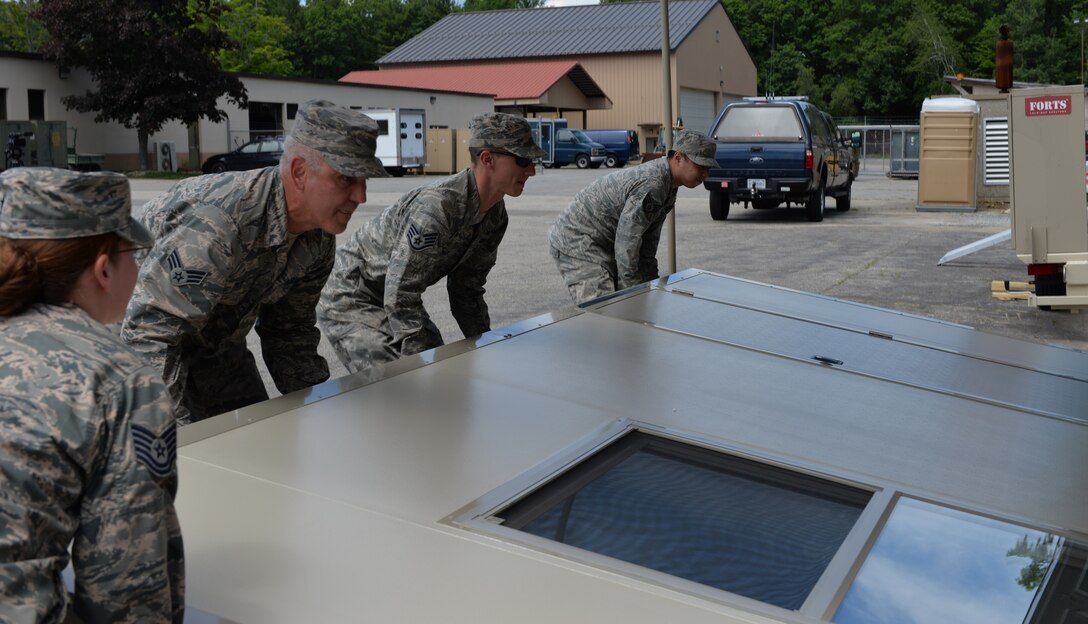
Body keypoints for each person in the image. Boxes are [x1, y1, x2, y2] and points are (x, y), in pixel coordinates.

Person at [122, 100, 386, 424]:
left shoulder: (317, 238)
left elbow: (290, 332)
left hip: (216, 345)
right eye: (346, 179)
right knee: (182, 459)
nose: (361, 196)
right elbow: (148, 336)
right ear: (299, 171)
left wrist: (318, 413)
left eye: (365, 181)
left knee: (255, 438)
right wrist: (172, 437)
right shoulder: (219, 224)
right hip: (128, 346)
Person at [0, 168, 184, 623]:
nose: (139, 269)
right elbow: (126, 589)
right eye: (133, 254)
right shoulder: (117, 381)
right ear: (104, 268)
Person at [318, 112, 545, 373]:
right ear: (487, 159)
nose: (531, 170)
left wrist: (486, 345)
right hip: (354, 295)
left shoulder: (495, 216)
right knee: (398, 386)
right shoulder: (437, 208)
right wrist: (427, 369)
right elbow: (401, 294)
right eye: (523, 160)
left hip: (392, 294)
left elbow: (466, 291)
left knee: (445, 373)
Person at [548, 129, 716, 304]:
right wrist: (634, 294)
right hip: (577, 239)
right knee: (603, 310)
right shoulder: (653, 183)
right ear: (678, 158)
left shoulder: (668, 186)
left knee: (629, 302)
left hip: (602, 242)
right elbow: (626, 245)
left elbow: (648, 242)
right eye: (700, 166)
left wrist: (652, 284)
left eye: (708, 168)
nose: (706, 174)